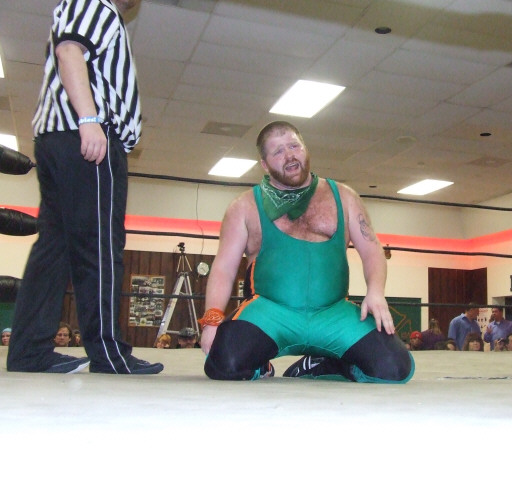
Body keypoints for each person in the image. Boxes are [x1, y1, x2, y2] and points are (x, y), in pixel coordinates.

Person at [6, 0, 163, 375]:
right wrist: (89, 119)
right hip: (85, 137)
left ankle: (28, 352)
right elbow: (69, 50)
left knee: (54, 249)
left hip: (59, 138)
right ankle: (108, 354)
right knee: (100, 245)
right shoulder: (97, 4)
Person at [198, 121, 414, 383]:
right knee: (224, 363)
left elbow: (372, 250)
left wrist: (376, 292)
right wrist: (212, 321)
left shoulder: (344, 197)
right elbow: (223, 268)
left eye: (294, 146)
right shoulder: (244, 207)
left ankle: (325, 365)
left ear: (305, 149)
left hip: (333, 313)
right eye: (278, 151)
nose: (289, 155)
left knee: (394, 369)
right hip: (270, 312)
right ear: (264, 164)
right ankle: (261, 364)